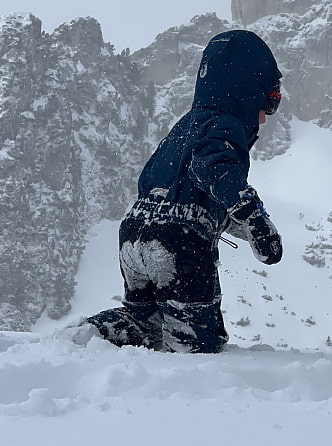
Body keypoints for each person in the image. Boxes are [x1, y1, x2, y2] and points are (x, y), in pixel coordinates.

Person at [78, 30, 284, 353]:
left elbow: (181, 185)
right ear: (247, 92)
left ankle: (89, 338)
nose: (266, 117)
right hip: (180, 243)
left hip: (135, 232)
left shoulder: (184, 127)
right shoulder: (226, 126)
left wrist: (245, 229)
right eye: (269, 103)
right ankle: (185, 390)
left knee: (144, 323)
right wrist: (254, 216)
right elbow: (212, 170)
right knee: (197, 342)